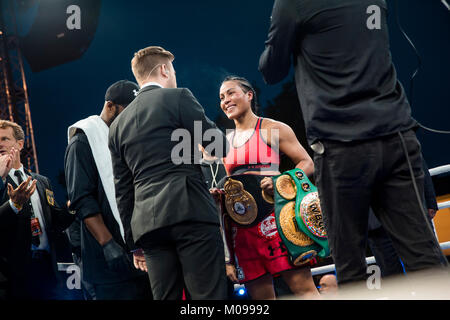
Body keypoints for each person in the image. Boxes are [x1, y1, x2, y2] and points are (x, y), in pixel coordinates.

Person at [259, 0, 447, 286]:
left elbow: (271, 70)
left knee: (350, 264)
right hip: (395, 135)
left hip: (341, 144)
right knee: (424, 253)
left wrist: (284, 31)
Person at [108, 46, 228, 300]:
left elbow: (122, 188)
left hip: (147, 224)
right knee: (208, 297)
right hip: (190, 211)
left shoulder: (117, 126)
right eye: (172, 70)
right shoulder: (178, 97)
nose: (174, 75)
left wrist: (133, 242)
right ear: (163, 69)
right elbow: (217, 146)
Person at [215, 75, 319, 300]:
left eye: (231, 93)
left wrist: (282, 181)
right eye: (222, 97)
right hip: (242, 232)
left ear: (249, 95)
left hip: (278, 223)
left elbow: (307, 163)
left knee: (305, 292)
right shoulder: (224, 141)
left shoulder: (272, 128)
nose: (226, 100)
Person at [65, 80, 152, 300]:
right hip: (109, 263)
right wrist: (108, 243)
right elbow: (82, 199)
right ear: (110, 106)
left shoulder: (127, 138)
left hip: (140, 255)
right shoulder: (82, 142)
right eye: (127, 111)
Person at [0, 120, 75, 299]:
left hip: (47, 268)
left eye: (5, 138)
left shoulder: (41, 181)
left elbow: (55, 221)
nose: (0, 144)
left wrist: (72, 208)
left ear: (19, 144)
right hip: (11, 273)